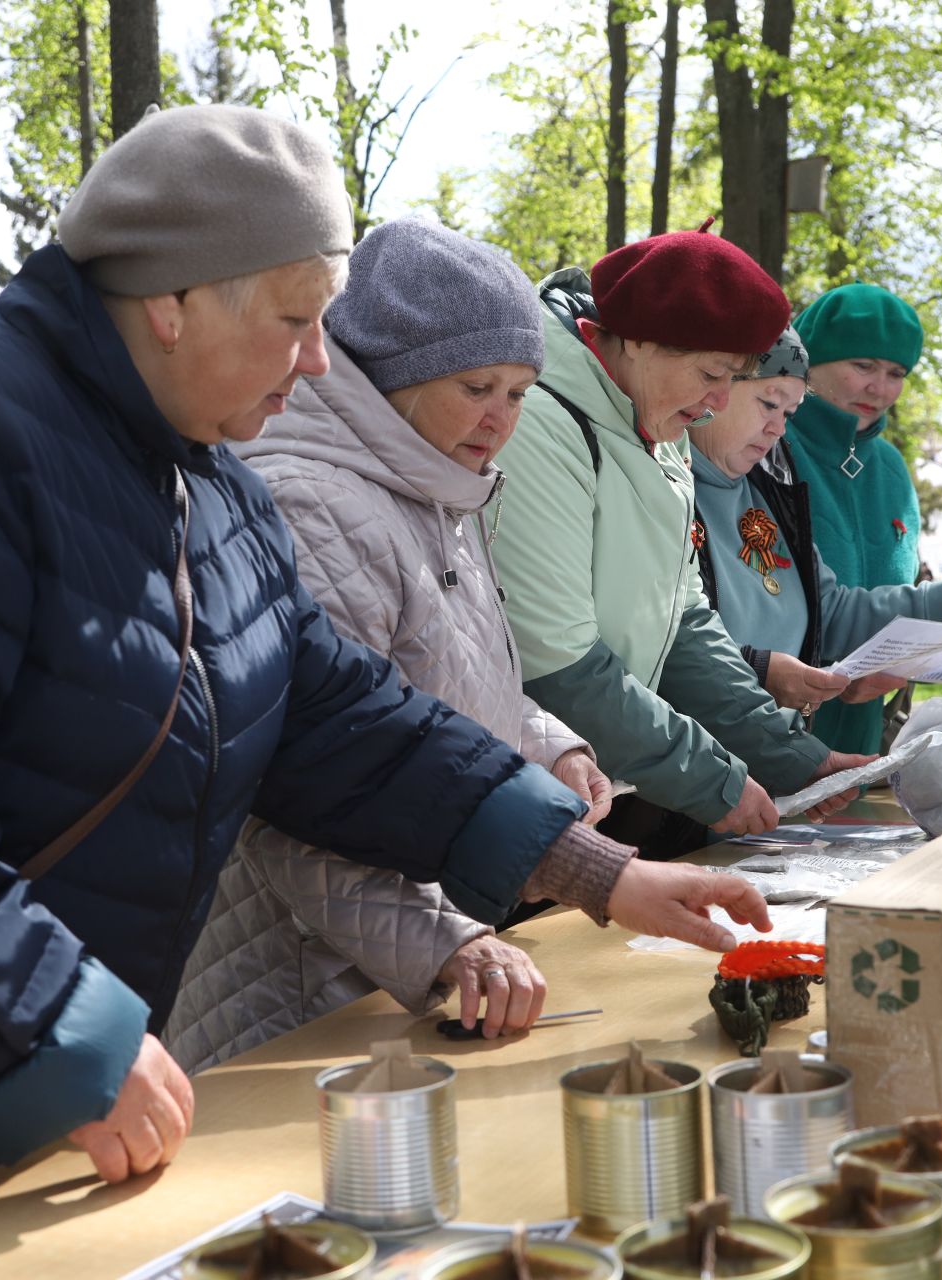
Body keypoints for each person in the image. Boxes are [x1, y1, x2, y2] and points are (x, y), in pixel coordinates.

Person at [0, 107, 768, 1279]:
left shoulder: (207, 485)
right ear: (176, 300)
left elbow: (333, 717)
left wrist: (597, 870)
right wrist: (56, 1027)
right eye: (299, 321)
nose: (320, 360)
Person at [166, 216, 611, 1070]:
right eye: (477, 386)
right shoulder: (315, 504)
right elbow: (304, 782)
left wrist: (547, 748)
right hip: (303, 977)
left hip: (410, 955)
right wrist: (445, 942)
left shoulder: (438, 486)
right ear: (394, 376)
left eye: (519, 393)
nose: (499, 418)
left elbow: (440, 682)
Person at [490, 229, 872, 861]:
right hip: (522, 785)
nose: (718, 402)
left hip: (599, 779)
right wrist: (713, 780)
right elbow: (558, 660)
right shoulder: (542, 421)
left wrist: (789, 754)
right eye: (712, 374)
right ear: (638, 341)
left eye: (735, 378)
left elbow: (682, 614)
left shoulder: (657, 414)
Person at [687, 324, 942, 719]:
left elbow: (827, 608)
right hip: (700, 764)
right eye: (768, 403)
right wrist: (760, 672)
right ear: (714, 388)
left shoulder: (771, 491)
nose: (778, 428)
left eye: (789, 412)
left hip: (773, 758)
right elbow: (674, 648)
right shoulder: (666, 490)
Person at [784, 283, 932, 756]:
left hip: (864, 744)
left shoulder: (891, 467)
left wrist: (927, 652)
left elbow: (898, 585)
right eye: (862, 365)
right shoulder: (767, 443)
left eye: (895, 372)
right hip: (768, 739)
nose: (879, 387)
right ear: (811, 360)